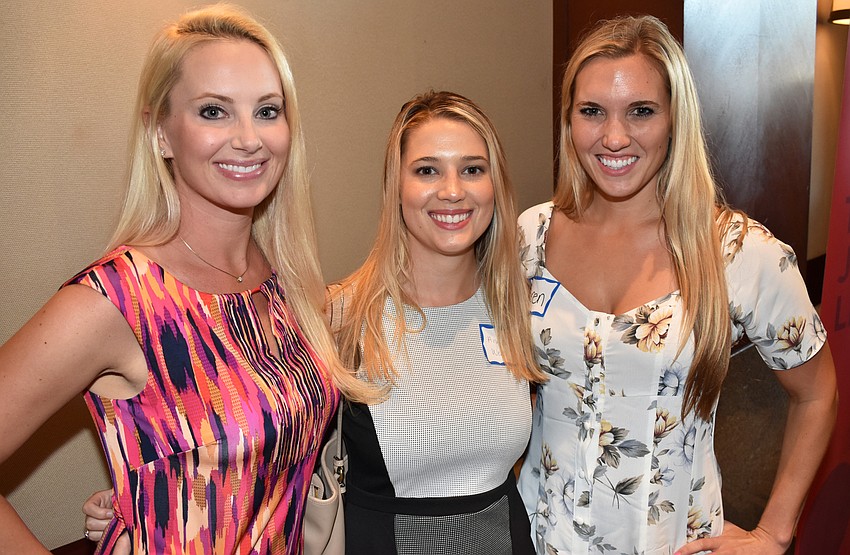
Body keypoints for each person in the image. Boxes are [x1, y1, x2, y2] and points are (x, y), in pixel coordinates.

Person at [0, 4, 371, 553]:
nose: (249, 138)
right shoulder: (116, 301)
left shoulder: (284, 284)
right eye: (214, 111)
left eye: (268, 111)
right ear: (162, 133)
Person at [515, 14, 837, 555]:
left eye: (641, 111)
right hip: (537, 536)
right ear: (569, 121)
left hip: (674, 543)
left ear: (674, 119)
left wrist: (774, 532)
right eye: (592, 111)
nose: (614, 136)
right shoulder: (532, 234)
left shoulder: (736, 250)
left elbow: (818, 392)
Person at [329, 90, 546, 554]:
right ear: (397, 186)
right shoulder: (341, 318)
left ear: (494, 185)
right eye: (427, 170)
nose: (452, 190)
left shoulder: (517, 308)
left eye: (472, 169)